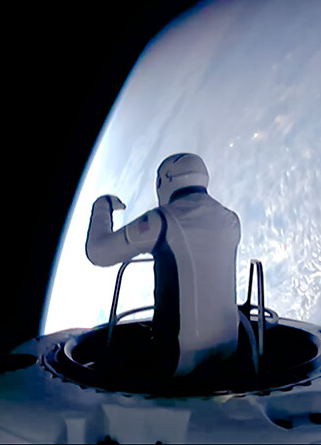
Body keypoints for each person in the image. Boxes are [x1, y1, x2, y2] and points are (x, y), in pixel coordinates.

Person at [85, 153, 241, 378]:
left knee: (104, 360)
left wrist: (102, 206)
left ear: (165, 180)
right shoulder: (232, 220)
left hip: (177, 359)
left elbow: (98, 253)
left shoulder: (161, 220)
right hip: (230, 351)